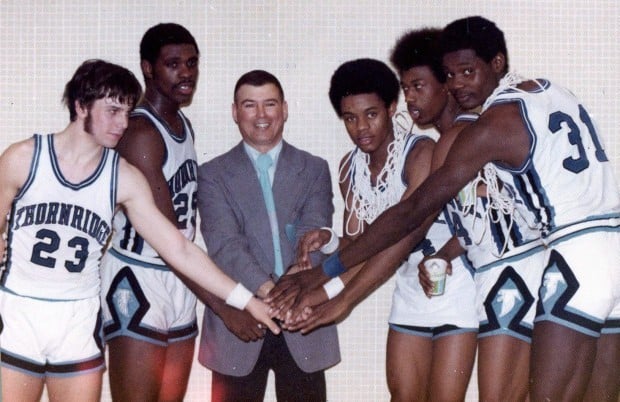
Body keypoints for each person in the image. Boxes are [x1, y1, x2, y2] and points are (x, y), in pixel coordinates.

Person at [270, 16, 620, 401]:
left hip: (546, 260)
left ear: (496, 64)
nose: (456, 85)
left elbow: (412, 216)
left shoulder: (475, 130)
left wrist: (326, 277)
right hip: (598, 246)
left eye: (462, 74)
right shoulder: (545, 90)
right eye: (450, 75)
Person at [0, 59, 279, 402]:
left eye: (127, 111)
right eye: (113, 111)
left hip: (77, 321)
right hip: (18, 315)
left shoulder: (123, 177)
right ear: (80, 105)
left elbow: (178, 247)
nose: (123, 123)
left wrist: (246, 300)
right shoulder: (23, 158)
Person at [283, 56, 478, 401]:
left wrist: (341, 299)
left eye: (371, 114)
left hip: (452, 282)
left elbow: (404, 234)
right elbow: (362, 246)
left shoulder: (422, 151)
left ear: (390, 108)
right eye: (350, 118)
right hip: (406, 286)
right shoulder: (349, 168)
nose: (361, 127)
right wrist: (328, 250)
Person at [196, 69, 340, 402]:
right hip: (240, 320)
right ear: (235, 112)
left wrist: (289, 296)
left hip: (302, 316)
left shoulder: (314, 168)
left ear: (285, 109)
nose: (261, 115)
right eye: (250, 105)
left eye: (270, 104)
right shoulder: (212, 175)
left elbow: (314, 233)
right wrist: (273, 295)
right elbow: (225, 245)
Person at [99, 23, 202, 402]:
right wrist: (230, 305)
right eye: (173, 64)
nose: (186, 72)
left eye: (192, 63)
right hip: (139, 276)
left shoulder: (182, 124)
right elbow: (169, 236)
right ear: (148, 68)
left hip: (180, 277)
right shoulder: (142, 133)